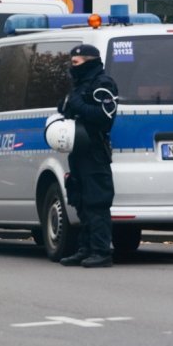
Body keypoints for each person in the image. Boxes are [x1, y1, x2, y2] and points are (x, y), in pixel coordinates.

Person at [57, 44, 119, 268]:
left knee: (96, 202)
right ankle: (85, 249)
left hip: (94, 152)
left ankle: (101, 252)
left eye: (76, 63)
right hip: (78, 150)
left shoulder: (103, 84)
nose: (72, 67)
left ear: (89, 61)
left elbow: (105, 117)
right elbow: (70, 111)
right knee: (80, 199)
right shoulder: (79, 86)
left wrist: (79, 105)